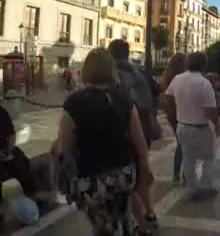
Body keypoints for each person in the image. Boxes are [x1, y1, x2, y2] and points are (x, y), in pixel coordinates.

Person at [54, 48, 153, 236]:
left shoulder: (73, 102)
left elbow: (63, 149)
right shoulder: (124, 100)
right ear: (111, 70)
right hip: (124, 175)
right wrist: (145, 171)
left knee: (102, 225)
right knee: (122, 216)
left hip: (90, 180)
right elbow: (140, 144)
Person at [108, 39, 157, 232]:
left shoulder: (113, 76)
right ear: (128, 53)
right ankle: (150, 212)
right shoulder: (143, 72)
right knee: (140, 171)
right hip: (146, 129)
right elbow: (156, 95)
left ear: (111, 55)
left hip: (126, 132)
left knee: (128, 177)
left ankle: (139, 223)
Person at [165, 52, 220, 200]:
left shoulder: (177, 79)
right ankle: (205, 186)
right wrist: (217, 125)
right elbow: (211, 110)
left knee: (188, 157)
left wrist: (179, 109)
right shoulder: (204, 83)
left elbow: (168, 97)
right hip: (201, 126)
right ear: (203, 65)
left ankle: (192, 188)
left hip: (182, 125)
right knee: (208, 157)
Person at [0, 106, 45, 232]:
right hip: (4, 154)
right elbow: (11, 137)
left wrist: (7, 153)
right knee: (17, 159)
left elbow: (10, 138)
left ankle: (32, 194)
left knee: (16, 157)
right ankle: (32, 194)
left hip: (4, 153)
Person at [160, 53, 186, 185]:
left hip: (171, 113)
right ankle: (184, 176)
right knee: (185, 144)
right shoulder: (181, 78)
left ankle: (177, 175)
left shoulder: (166, 75)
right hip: (183, 113)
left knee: (181, 142)